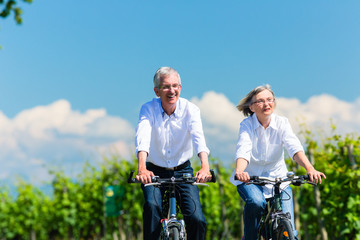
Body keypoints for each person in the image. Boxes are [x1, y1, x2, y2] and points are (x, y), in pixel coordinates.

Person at [230, 84, 326, 239]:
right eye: (260, 101)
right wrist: (240, 171)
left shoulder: (282, 123)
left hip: (278, 179)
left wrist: (310, 168)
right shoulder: (246, 125)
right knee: (256, 202)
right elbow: (243, 149)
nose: (266, 104)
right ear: (252, 107)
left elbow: (293, 147)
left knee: (289, 230)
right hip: (250, 179)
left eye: (269, 99)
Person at [135, 66, 212, 240]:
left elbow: (199, 138)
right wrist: (142, 169)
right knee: (151, 208)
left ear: (180, 88)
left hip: (183, 170)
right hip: (154, 171)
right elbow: (143, 137)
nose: (172, 91)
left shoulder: (191, 109)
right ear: (157, 91)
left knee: (197, 219)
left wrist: (205, 167)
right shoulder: (148, 109)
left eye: (175, 86)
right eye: (166, 87)